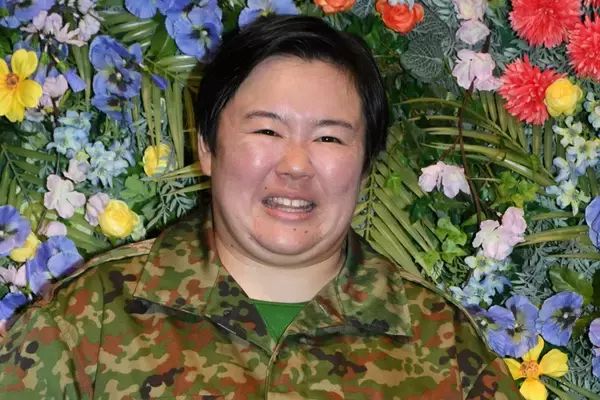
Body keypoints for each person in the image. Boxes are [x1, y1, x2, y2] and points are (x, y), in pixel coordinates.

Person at [0, 15, 523, 399]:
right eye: (268, 131)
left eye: (329, 138)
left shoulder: (443, 344)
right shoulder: (85, 321)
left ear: (365, 166)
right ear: (207, 147)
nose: (295, 165)